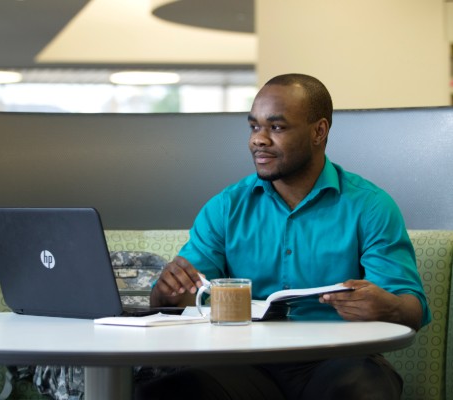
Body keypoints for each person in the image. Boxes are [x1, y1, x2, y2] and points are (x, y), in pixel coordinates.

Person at [136, 73, 431, 400]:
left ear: (319, 131)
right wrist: (167, 294)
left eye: (276, 128)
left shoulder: (370, 206)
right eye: (253, 127)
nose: (258, 140)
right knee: (168, 392)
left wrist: (386, 307)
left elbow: (411, 308)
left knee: (362, 387)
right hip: (245, 363)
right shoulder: (226, 207)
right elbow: (182, 298)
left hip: (340, 360)